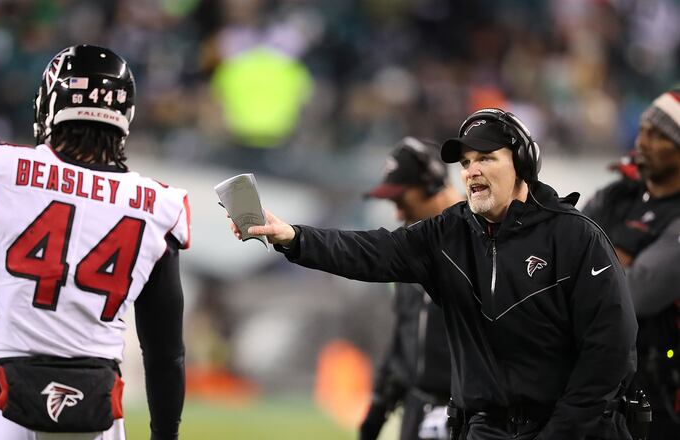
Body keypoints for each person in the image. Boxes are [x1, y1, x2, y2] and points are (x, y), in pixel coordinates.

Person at [231, 108, 638, 439]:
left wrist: (563, 431)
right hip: (485, 428)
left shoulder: (575, 237)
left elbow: (611, 348)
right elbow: (372, 251)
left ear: (522, 165)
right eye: (465, 163)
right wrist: (293, 237)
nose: (471, 171)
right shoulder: (448, 232)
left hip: (568, 429)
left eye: (485, 159)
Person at [0, 45, 190, 440]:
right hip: (99, 414)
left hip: (2, 406)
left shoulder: (3, 171)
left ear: (49, 104)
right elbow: (166, 353)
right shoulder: (158, 205)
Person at [582, 88, 680, 439]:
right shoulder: (619, 193)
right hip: (597, 387)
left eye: (659, 135)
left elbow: (636, 293)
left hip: (659, 394)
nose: (643, 141)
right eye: (642, 130)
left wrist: (597, 256)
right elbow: (561, 261)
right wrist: (620, 260)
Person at [359, 137, 462, 440]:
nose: (398, 214)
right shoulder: (409, 248)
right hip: (417, 410)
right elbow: (405, 336)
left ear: (432, 183)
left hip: (469, 416)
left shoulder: (484, 243)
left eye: (402, 200)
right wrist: (380, 404)